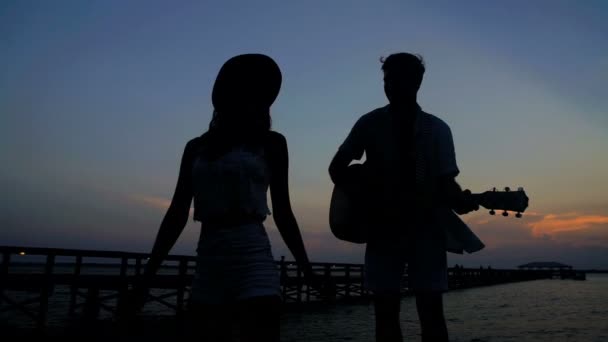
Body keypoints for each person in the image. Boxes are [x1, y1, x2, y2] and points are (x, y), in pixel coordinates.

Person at [139, 54, 312, 342]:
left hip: (253, 256)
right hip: (209, 257)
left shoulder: (272, 143)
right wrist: (148, 275)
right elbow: (177, 212)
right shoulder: (196, 148)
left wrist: (306, 267)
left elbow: (283, 212)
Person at [329, 53, 479, 342]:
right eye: (388, 81)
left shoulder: (436, 129)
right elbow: (337, 168)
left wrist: (462, 200)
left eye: (399, 80)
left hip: (426, 227)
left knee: (431, 311)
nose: (391, 87)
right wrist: (367, 190)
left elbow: (447, 184)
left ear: (418, 82)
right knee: (385, 312)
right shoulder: (369, 123)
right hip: (381, 228)